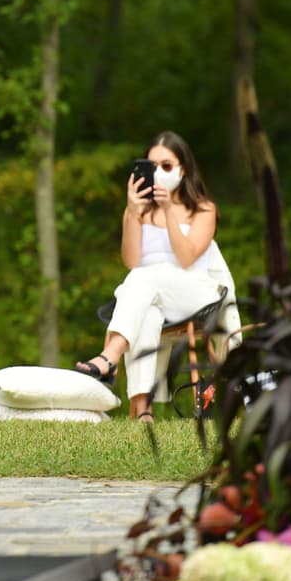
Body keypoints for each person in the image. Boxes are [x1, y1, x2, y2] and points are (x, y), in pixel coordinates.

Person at [74, 131, 221, 422]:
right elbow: (130, 260)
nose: (160, 172)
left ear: (184, 169)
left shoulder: (203, 209)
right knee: (148, 309)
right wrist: (131, 213)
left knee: (143, 278)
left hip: (193, 294)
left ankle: (109, 357)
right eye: (152, 166)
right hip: (150, 295)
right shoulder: (140, 211)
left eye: (167, 165)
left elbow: (187, 258)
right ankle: (143, 412)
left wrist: (168, 211)